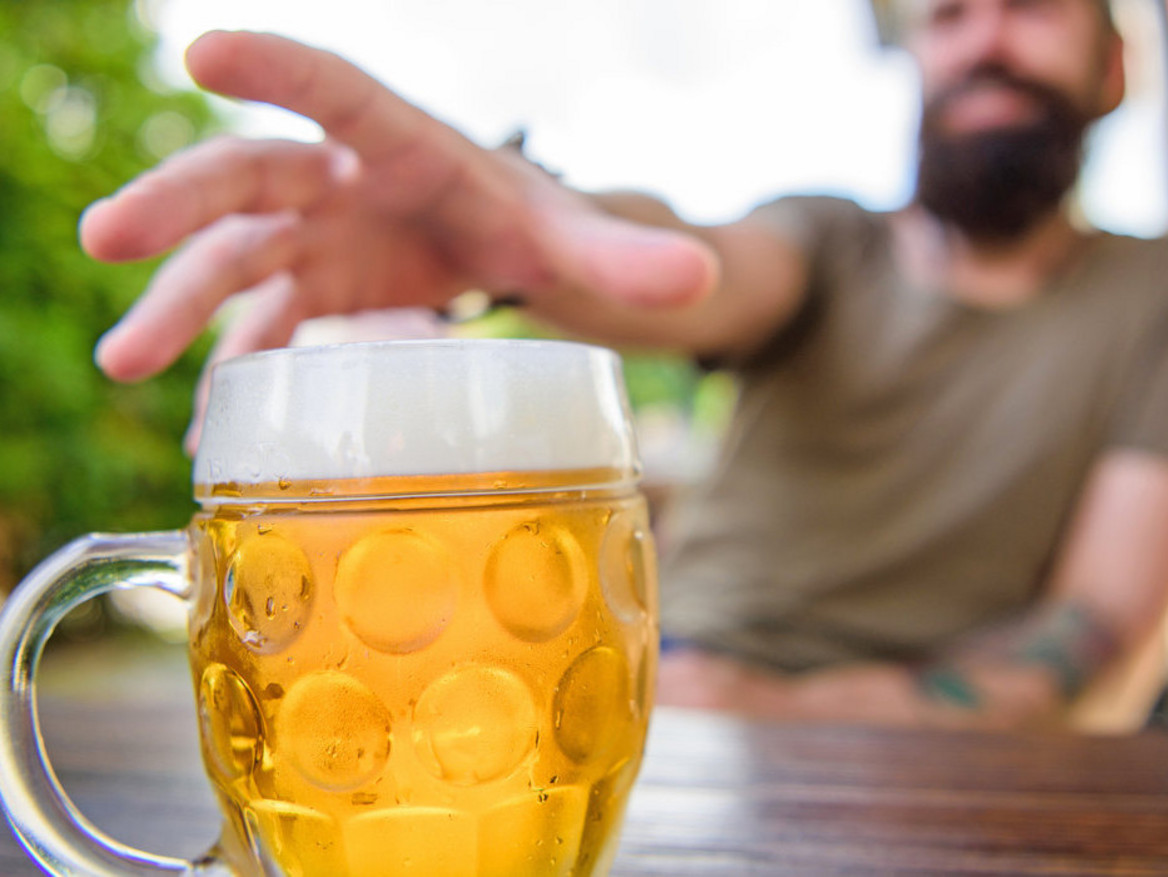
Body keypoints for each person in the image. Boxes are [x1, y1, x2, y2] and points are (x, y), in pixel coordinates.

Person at [80, 0, 1168, 729]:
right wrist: (525, 232)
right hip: (653, 688)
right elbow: (691, 266)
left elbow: (1096, 633)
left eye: (1029, 4)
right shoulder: (827, 241)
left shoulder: (1148, 298)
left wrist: (777, 707)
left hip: (906, 746)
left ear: (1112, 64)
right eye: (946, 15)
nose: (982, 39)